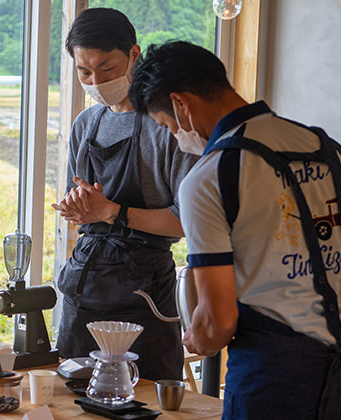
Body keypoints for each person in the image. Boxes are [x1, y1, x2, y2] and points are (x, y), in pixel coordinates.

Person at [129, 40, 341, 419]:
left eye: (167, 126)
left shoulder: (209, 178)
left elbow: (217, 322)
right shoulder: (323, 147)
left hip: (276, 386)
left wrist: (197, 337)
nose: (175, 139)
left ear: (181, 104)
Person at [52, 8, 198, 381]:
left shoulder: (165, 126)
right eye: (84, 72)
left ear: (133, 55)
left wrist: (112, 212)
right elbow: (84, 203)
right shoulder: (86, 123)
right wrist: (77, 208)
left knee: (145, 400)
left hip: (143, 295)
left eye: (107, 69)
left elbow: (185, 222)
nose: (95, 81)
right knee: (72, 396)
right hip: (84, 285)